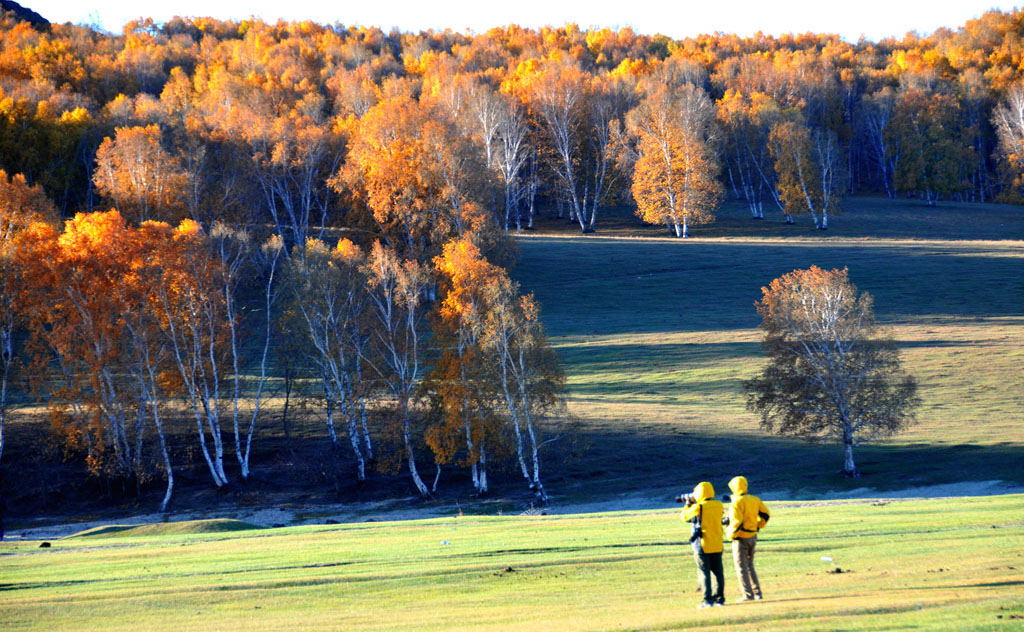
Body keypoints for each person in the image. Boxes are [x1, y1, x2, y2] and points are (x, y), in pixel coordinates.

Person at [726, 475, 771, 602]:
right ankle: (757, 593)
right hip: (753, 535)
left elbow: (737, 522)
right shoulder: (755, 499)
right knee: (750, 565)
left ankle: (748, 595)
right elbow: (765, 514)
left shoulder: (736, 503)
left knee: (741, 567)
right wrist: (758, 526)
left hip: (741, 538)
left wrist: (731, 535)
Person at [681, 481, 725, 608]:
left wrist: (688, 504)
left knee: (704, 572)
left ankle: (707, 600)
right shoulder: (719, 505)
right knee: (718, 572)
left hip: (703, 544)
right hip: (717, 543)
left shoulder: (699, 507)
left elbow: (684, 517)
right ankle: (720, 598)